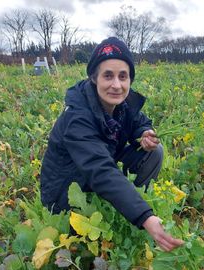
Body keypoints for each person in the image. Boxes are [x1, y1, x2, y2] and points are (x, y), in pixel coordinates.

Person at [40, 37, 184, 252]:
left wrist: (144, 133)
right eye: (108, 75)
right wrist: (145, 216)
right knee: (80, 236)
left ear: (130, 80)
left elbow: (139, 121)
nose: (116, 85)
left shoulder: (122, 105)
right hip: (67, 194)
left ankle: (122, 208)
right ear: (94, 78)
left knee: (154, 152)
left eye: (123, 76)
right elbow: (101, 170)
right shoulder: (77, 117)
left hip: (96, 178)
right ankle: (128, 210)